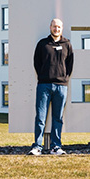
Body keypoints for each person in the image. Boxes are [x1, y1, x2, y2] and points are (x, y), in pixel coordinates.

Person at [30, 18, 74, 156]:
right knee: (40, 117)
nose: (56, 29)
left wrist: (64, 78)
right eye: (54, 26)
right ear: (50, 27)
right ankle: (37, 146)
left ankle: (56, 146)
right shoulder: (42, 44)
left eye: (59, 27)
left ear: (62, 28)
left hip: (61, 86)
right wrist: (43, 76)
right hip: (44, 85)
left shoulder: (67, 44)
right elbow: (36, 63)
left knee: (58, 118)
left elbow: (70, 64)